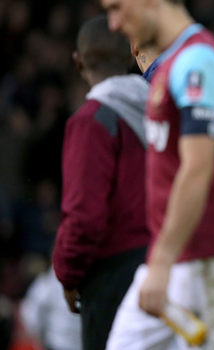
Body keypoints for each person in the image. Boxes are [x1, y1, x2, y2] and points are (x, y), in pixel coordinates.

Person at [101, 0, 214, 349]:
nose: (112, 23)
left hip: (200, 261)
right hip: (190, 258)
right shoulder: (175, 64)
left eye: (116, 8)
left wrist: (161, 262)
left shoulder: (197, 61)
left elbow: (198, 168)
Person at [51, 15, 150, 350]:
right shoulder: (163, 109)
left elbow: (85, 217)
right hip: (167, 269)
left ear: (78, 62)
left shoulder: (91, 121)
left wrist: (67, 273)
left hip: (114, 278)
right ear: (129, 56)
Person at [19, 267, 83, 350]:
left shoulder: (52, 277)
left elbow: (31, 314)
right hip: (63, 342)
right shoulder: (52, 277)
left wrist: (40, 339)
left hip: (61, 342)